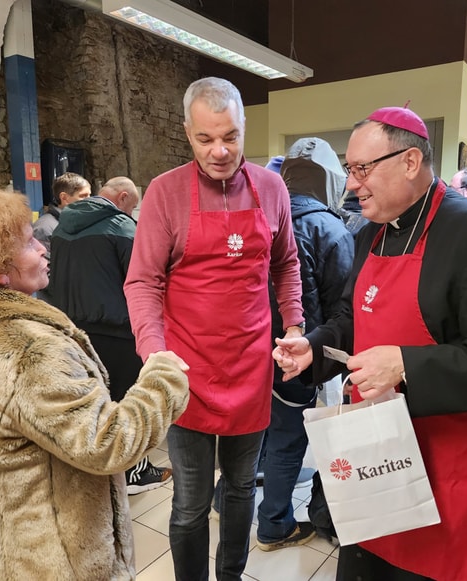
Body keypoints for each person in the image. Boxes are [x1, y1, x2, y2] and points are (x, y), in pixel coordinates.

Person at [273, 106, 467, 581]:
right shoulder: (368, 235)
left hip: (455, 465)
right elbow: (351, 317)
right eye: (350, 169)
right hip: (376, 459)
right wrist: (316, 348)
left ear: (409, 161)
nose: (352, 184)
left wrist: (406, 367)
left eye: (362, 169)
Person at [0, 189, 189, 580]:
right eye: (28, 242)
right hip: (42, 561)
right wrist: (163, 376)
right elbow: (108, 443)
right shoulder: (26, 352)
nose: (43, 248)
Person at [123, 77, 303, 580]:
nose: (220, 151)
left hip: (250, 367)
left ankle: (231, 575)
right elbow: (142, 281)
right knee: (190, 502)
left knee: (243, 487)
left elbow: (286, 263)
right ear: (187, 133)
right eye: (206, 139)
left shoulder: (271, 187)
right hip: (186, 373)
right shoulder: (165, 192)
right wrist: (153, 350)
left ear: (245, 128)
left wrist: (293, 322)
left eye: (230, 137)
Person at [255, 138, 354, 551]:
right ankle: (275, 524)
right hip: (297, 356)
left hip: (249, 353)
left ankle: (226, 500)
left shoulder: (258, 220)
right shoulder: (331, 229)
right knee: (287, 439)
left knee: (251, 437)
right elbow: (343, 308)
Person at [49, 176, 170, 494]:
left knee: (97, 401)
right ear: (124, 197)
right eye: (133, 205)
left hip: (75, 330)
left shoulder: (62, 227)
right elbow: (143, 282)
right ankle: (134, 473)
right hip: (118, 330)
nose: (133, 211)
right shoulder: (122, 228)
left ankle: (101, 470)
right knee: (128, 401)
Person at [33, 171, 91, 302]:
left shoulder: (79, 224)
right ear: (64, 197)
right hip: (59, 304)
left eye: (90, 195)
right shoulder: (45, 228)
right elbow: (44, 273)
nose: (89, 201)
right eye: (83, 196)